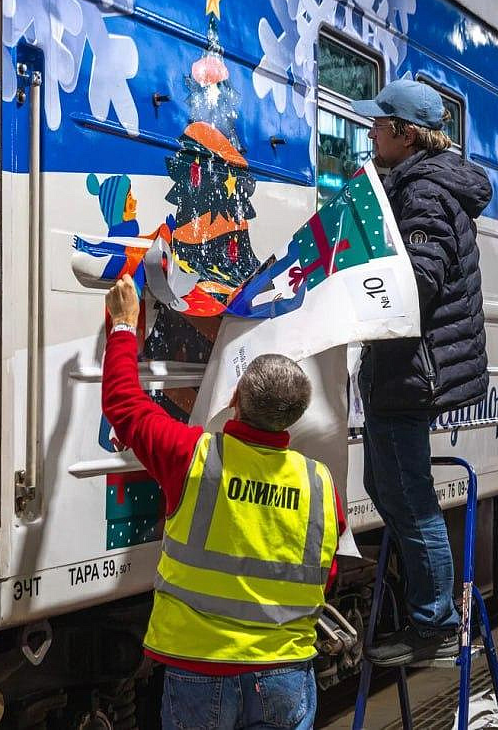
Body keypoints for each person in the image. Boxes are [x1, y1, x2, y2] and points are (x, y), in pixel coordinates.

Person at [101, 277, 345, 730]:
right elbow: (325, 575)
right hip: (284, 674)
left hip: (200, 670)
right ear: (294, 416)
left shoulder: (192, 456)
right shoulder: (320, 486)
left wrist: (122, 326)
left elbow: (124, 404)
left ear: (234, 400)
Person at [349, 79, 493, 666]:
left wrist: (355, 288)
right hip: (402, 370)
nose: (371, 132)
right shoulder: (416, 183)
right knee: (386, 488)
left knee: (410, 496)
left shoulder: (423, 192)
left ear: (405, 135)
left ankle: (434, 626)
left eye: (379, 126)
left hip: (413, 370)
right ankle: (428, 613)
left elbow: (421, 279)